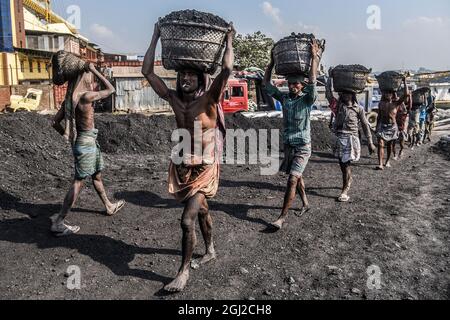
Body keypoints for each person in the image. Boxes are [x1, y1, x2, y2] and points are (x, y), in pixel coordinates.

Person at [142, 23, 234, 293]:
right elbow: (147, 71)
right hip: (182, 166)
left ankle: (182, 273)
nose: (186, 78)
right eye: (182, 74)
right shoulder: (173, 99)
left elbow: (226, 69)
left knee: (187, 219)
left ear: (201, 80)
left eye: (192, 75)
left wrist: (229, 39)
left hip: (205, 167)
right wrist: (155, 35)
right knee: (203, 212)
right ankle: (211, 249)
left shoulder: (209, 100)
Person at [51, 63, 126, 236]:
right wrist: (93, 70)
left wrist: (69, 135)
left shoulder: (70, 100)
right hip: (86, 142)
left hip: (87, 141)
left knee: (96, 175)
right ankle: (59, 221)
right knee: (79, 181)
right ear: (84, 78)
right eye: (89, 77)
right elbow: (111, 89)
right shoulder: (86, 96)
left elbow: (55, 122)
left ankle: (108, 205)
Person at [262, 39, 322, 230]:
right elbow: (266, 84)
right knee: (298, 176)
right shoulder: (285, 98)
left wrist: (313, 57)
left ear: (302, 86)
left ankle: (281, 217)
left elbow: (313, 81)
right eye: (290, 83)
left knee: (292, 179)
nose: (293, 86)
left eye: (296, 84)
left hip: (303, 146)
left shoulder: (307, 100)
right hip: (289, 145)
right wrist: (271, 64)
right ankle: (305, 203)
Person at [325, 75, 376, 202]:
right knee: (342, 164)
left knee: (346, 164)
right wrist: (330, 78)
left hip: (351, 139)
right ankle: (348, 180)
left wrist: (370, 142)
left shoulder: (358, 109)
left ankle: (345, 190)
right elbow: (328, 94)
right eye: (344, 93)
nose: (346, 96)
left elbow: (365, 125)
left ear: (353, 95)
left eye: (349, 93)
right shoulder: (338, 107)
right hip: (339, 138)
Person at [376, 76, 408, 170]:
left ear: (392, 94)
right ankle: (380, 163)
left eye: (389, 93)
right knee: (380, 144)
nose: (387, 94)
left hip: (392, 127)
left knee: (390, 145)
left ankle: (387, 161)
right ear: (383, 93)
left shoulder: (396, 103)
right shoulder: (381, 103)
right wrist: (377, 127)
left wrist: (404, 82)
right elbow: (379, 116)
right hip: (382, 125)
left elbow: (406, 94)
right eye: (386, 93)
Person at [393, 91, 412, 160]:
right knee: (393, 143)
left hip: (402, 129)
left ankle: (401, 151)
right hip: (395, 128)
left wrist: (410, 97)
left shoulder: (405, 113)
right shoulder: (395, 111)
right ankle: (394, 154)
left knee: (401, 143)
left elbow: (410, 106)